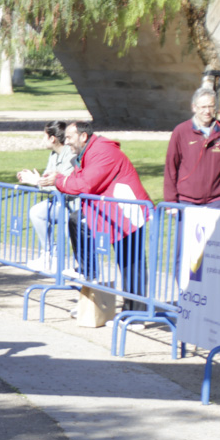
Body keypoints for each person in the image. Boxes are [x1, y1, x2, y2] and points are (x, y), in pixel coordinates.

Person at [49, 122, 152, 312]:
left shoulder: (102, 152)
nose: (67, 141)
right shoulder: (88, 152)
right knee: (77, 219)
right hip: (112, 212)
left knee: (132, 262)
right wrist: (61, 180)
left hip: (127, 212)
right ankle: (87, 269)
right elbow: (78, 180)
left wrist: (58, 180)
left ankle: (138, 312)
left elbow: (85, 185)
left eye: (70, 137)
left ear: (83, 136)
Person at [164, 88, 220, 211]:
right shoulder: (181, 131)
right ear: (194, 107)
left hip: (215, 202)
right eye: (203, 107)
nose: (207, 111)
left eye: (211, 106)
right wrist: (170, 202)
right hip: (185, 201)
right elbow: (170, 168)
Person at [17, 120, 75, 272]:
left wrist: (38, 181)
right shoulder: (53, 154)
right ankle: (50, 254)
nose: (42, 140)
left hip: (74, 204)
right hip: (60, 202)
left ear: (52, 138)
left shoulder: (70, 155)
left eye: (44, 136)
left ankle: (82, 267)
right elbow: (48, 181)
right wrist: (34, 179)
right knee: (37, 212)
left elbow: (62, 184)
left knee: (71, 230)